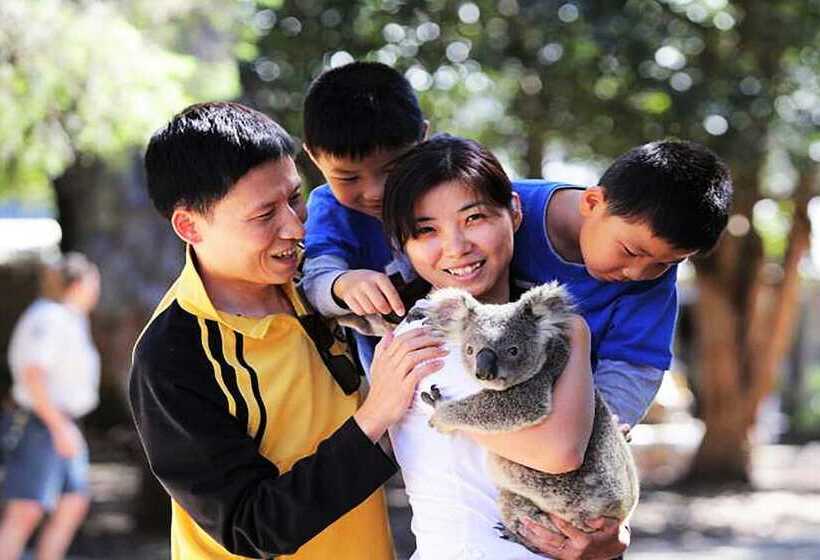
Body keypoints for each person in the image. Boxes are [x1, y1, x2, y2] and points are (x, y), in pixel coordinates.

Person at [128, 101, 446, 559]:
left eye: (295, 198)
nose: (295, 228)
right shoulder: (172, 355)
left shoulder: (316, 288)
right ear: (188, 225)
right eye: (264, 216)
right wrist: (375, 414)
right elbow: (251, 526)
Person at [380, 134, 609, 559]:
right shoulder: (421, 338)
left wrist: (609, 538)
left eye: (474, 218)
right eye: (426, 230)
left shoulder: (539, 329)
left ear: (515, 212)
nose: (456, 246)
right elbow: (559, 451)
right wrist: (576, 333)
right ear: (403, 245)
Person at [511, 139, 732, 428]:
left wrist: (603, 426)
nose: (638, 273)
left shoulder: (654, 277)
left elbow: (634, 363)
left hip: (563, 420)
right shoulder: (501, 210)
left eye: (665, 263)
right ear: (593, 203)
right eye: (631, 251)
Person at [0, 252, 101, 560]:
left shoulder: (70, 318)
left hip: (62, 422)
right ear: (79, 284)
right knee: (25, 510)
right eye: (94, 282)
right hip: (42, 422)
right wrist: (59, 427)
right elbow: (33, 374)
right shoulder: (48, 316)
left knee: (73, 502)